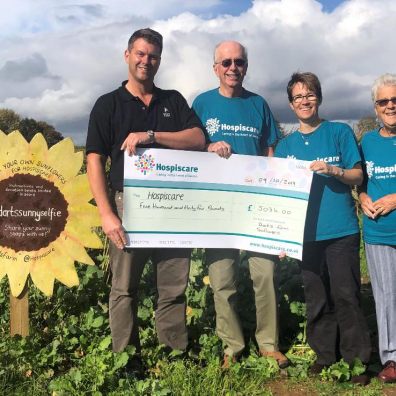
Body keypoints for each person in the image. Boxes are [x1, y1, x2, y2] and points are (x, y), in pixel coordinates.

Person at [86, 28, 205, 364]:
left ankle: (174, 350)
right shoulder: (107, 104)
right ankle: (127, 358)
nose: (146, 61)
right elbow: (94, 159)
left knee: (173, 283)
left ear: (159, 60)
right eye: (140, 54)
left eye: (152, 56)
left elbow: (197, 138)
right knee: (124, 287)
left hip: (172, 204)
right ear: (127, 55)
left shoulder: (173, 101)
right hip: (128, 205)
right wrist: (107, 214)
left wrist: (151, 135)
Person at [192, 40, 288, 369]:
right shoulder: (201, 103)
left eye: (240, 62)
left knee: (265, 274)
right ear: (215, 67)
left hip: (256, 207)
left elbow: (271, 153)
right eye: (227, 62)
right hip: (217, 208)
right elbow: (191, 147)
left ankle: (269, 344)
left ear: (246, 66)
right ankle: (232, 347)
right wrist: (207, 146)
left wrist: (276, 205)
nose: (234, 68)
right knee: (222, 278)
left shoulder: (259, 104)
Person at [275, 72, 371, 384]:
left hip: (341, 230)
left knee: (346, 294)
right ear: (291, 104)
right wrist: (278, 234)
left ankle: (356, 361)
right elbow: (279, 194)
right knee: (317, 298)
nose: (304, 101)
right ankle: (325, 356)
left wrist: (334, 170)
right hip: (305, 234)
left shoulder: (339, 132)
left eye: (309, 94)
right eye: (298, 97)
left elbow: (357, 177)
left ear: (319, 97)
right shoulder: (285, 146)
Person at [359, 73, 396, 383]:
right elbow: (360, 180)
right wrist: (362, 197)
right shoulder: (367, 141)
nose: (390, 105)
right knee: (385, 296)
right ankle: (391, 358)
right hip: (378, 231)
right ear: (375, 107)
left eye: (395, 99)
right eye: (383, 101)